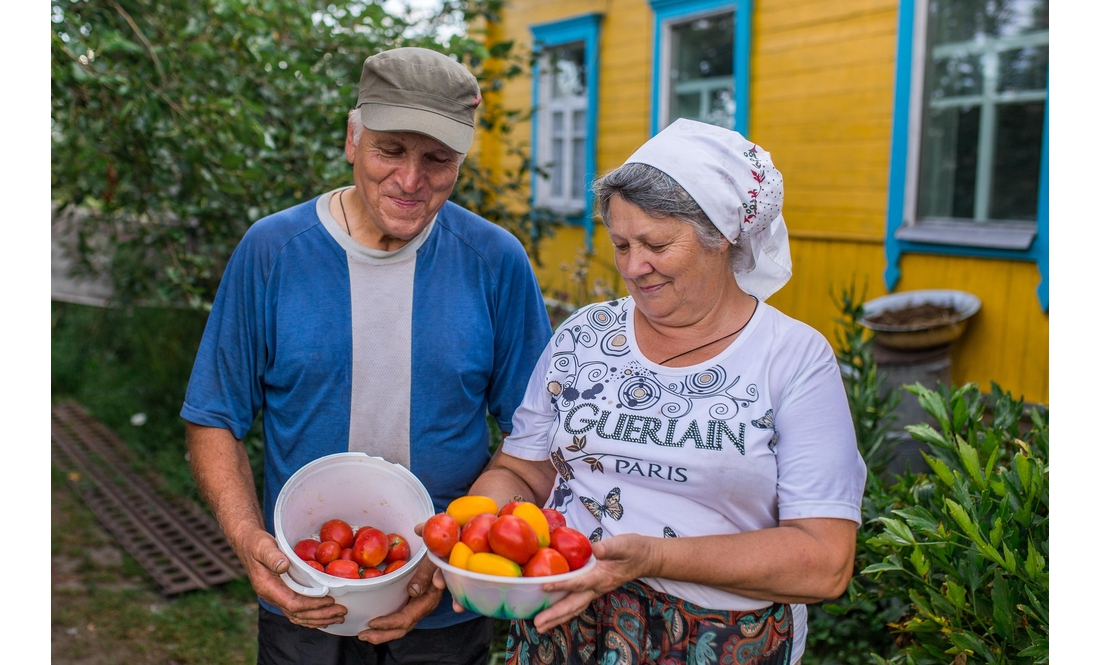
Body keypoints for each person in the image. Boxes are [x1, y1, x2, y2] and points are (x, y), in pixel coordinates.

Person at [181, 47, 552, 665]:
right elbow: (213, 414)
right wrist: (249, 541)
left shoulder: (495, 261)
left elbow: (536, 433)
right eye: (390, 151)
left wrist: (452, 554)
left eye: (437, 159)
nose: (411, 181)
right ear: (352, 139)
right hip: (306, 595)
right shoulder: (273, 251)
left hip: (445, 607)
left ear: (460, 161)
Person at [459, 118, 867, 665]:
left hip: (718, 639)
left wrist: (650, 556)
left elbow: (824, 560)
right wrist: (466, 530)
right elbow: (526, 469)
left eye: (655, 244)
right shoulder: (585, 336)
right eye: (621, 244)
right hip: (562, 620)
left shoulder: (792, 358)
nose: (633, 267)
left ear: (720, 237)